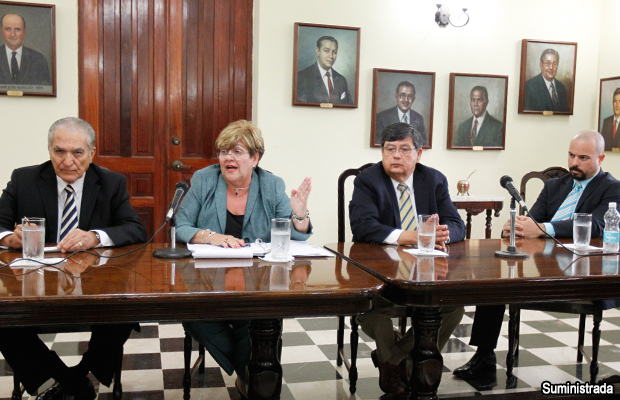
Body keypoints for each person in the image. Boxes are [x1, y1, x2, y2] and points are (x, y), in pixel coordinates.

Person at [453, 130, 620, 382]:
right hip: (543, 264)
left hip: (584, 270)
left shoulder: (612, 188)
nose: (574, 163)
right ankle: (484, 356)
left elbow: (597, 225)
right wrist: (516, 228)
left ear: (601, 158)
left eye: (583, 158)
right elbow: (532, 221)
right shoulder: (554, 186)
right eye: (571, 155)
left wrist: (543, 229)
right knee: (493, 281)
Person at [0, 117, 147, 400]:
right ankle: (67, 383)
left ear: (91, 153)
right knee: (3, 317)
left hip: (94, 284)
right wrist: (9, 239)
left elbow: (135, 228)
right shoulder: (24, 179)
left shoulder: (111, 182)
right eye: (59, 151)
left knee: (124, 309)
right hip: (34, 285)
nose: (68, 161)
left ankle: (80, 376)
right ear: (49, 150)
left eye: (77, 152)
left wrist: (95, 236)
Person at [175, 119, 312, 398]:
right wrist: (209, 236)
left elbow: (295, 236)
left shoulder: (271, 185)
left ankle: (252, 382)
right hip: (207, 281)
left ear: (255, 158)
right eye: (224, 151)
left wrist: (299, 215)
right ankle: (253, 379)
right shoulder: (204, 179)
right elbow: (181, 225)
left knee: (258, 321)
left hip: (256, 281)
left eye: (237, 152)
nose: (228, 158)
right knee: (196, 318)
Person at [349, 122, 466, 395]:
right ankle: (404, 364)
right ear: (382, 152)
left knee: (453, 308)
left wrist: (441, 234)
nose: (396, 156)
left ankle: (393, 360)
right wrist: (411, 236)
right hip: (380, 273)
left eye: (404, 149)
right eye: (390, 149)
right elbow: (363, 227)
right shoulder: (368, 180)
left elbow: (456, 224)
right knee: (372, 312)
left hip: (426, 274)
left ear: (418, 153)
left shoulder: (434, 180)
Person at [296, 35, 352, 104]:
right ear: (318, 51)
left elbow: (348, 106)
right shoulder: (302, 77)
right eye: (326, 51)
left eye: (334, 52)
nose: (331, 56)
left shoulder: (341, 80)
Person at [0, 13, 51, 85]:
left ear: (24, 32)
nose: (12, 34)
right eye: (8, 29)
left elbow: (45, 88)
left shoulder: (39, 60)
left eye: (17, 29)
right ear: (1, 31)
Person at [375, 81, 427, 146]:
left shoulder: (419, 118)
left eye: (410, 96)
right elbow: (378, 143)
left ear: (413, 99)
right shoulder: (382, 117)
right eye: (402, 95)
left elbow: (423, 144)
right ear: (396, 97)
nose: (406, 100)